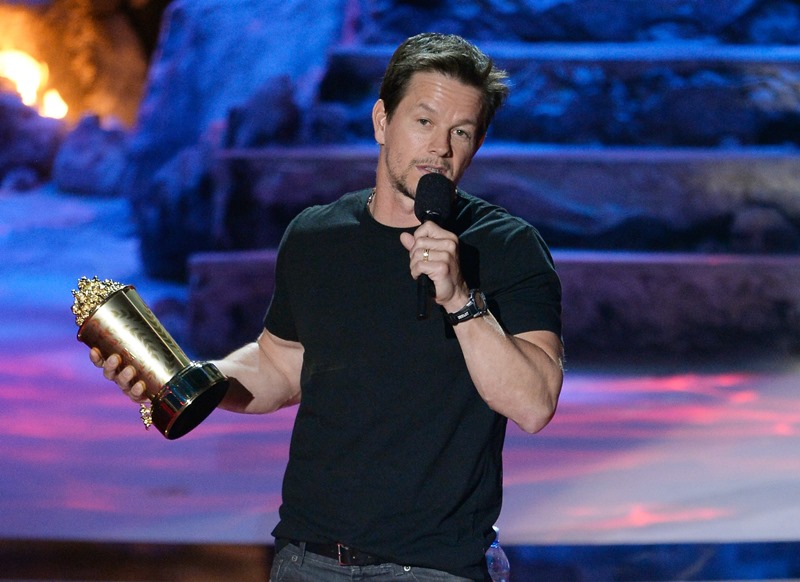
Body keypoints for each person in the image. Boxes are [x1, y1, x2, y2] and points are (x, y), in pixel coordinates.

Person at [92, 32, 564, 581]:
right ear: (382, 121)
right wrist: (186, 381)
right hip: (308, 558)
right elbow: (279, 364)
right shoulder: (316, 235)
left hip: (435, 566)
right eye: (424, 121)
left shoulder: (507, 246)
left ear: (477, 144)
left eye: (461, 131)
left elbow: (534, 404)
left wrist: (461, 300)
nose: (440, 147)